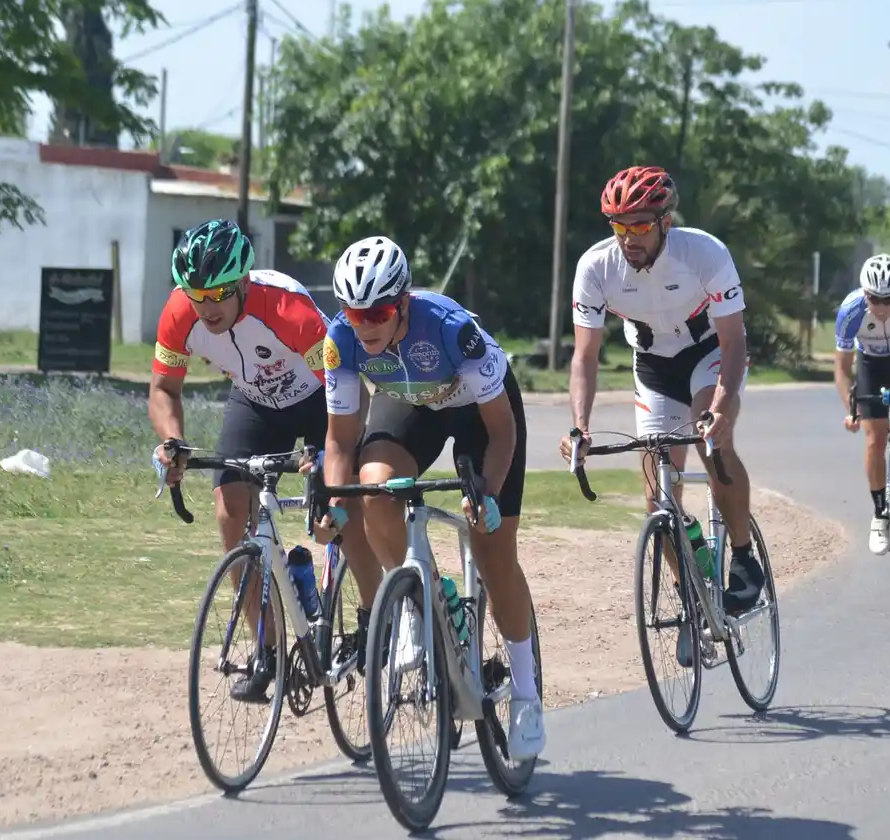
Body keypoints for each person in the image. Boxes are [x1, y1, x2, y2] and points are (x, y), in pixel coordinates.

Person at [318, 234, 544, 762]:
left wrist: (484, 492)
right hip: (410, 404)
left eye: (378, 312)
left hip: (482, 414)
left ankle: (528, 693)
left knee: (493, 551)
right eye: (355, 313)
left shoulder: (452, 331)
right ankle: (420, 603)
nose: (366, 323)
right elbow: (339, 439)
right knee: (373, 488)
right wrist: (331, 501)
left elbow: (502, 430)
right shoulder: (340, 340)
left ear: (402, 305)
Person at [149, 219, 382, 701]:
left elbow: (350, 391)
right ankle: (268, 650)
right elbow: (164, 389)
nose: (206, 308)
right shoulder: (180, 312)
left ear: (241, 284)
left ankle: (370, 618)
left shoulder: (287, 310)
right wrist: (171, 442)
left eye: (217, 295)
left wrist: (326, 458)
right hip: (255, 402)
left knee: (340, 513)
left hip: (323, 399)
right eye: (197, 296)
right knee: (230, 509)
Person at [558, 165, 766, 624]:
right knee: (657, 496)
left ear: (664, 222)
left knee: (711, 442)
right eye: (619, 227)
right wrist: (580, 426)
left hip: (709, 353)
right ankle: (691, 594)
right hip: (653, 364)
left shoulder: (705, 253)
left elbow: (734, 343)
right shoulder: (595, 268)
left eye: (640, 226)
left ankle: (743, 555)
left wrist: (720, 409)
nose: (629, 237)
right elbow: (585, 355)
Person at [833, 253, 890, 555]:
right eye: (874, 299)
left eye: (888, 299)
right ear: (864, 293)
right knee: (874, 439)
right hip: (869, 361)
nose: (880, 307)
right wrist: (851, 409)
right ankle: (880, 515)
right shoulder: (851, 311)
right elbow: (842, 369)